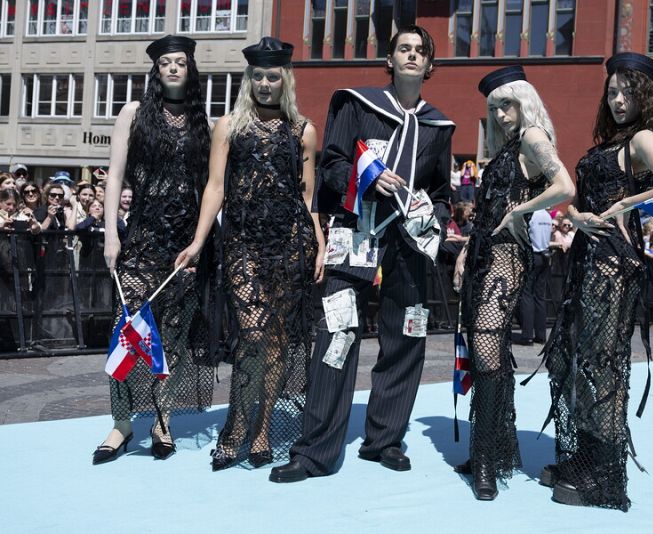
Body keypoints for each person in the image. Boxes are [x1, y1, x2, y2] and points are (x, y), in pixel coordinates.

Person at [270, 25, 455, 484]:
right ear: (389, 59)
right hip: (354, 239)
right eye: (404, 49)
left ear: (430, 66)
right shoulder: (357, 105)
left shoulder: (438, 127)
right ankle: (315, 452)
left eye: (420, 51)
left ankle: (385, 439)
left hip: (409, 247)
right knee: (336, 337)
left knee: (407, 338)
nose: (412, 55)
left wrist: (433, 215)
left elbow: (441, 192)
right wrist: (367, 177)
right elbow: (332, 165)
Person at [542, 52, 653, 511]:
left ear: (644, 97)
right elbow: (577, 200)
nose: (618, 100)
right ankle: (584, 456)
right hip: (586, 258)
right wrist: (575, 216)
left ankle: (603, 474)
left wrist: (627, 204)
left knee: (601, 365)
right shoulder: (609, 143)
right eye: (612, 92)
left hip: (613, 265)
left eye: (627, 93)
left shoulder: (642, 137)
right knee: (568, 358)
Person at [176, 37, 325, 471]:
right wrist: (198, 241)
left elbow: (308, 196)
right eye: (257, 76)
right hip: (242, 244)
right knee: (254, 335)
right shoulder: (228, 126)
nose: (264, 83)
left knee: (277, 342)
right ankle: (236, 428)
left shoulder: (303, 130)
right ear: (249, 79)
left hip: (291, 245)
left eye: (272, 77)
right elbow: (215, 187)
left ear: (285, 80)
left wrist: (319, 244)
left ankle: (261, 431)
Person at [450, 66, 574, 500]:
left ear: (525, 102)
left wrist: (520, 211)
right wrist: (466, 251)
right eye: (494, 108)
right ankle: (493, 449)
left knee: (486, 351)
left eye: (508, 105)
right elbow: (488, 210)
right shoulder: (507, 146)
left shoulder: (532, 137)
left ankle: (486, 460)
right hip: (483, 255)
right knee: (488, 350)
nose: (501, 115)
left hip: (506, 257)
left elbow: (564, 186)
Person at [92, 35, 214, 465]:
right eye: (166, 62)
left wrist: (200, 243)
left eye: (181, 62)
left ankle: (163, 419)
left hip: (183, 247)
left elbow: (210, 188)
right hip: (141, 240)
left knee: (174, 335)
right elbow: (115, 175)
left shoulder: (203, 123)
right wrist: (111, 233)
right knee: (125, 329)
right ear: (156, 71)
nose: (174, 68)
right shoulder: (133, 113)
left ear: (190, 69)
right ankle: (122, 423)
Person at [512, 209, 553, 346]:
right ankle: (541, 335)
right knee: (540, 296)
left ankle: (527, 335)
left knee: (527, 294)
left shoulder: (531, 214)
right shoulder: (547, 215)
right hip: (545, 255)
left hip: (532, 255)